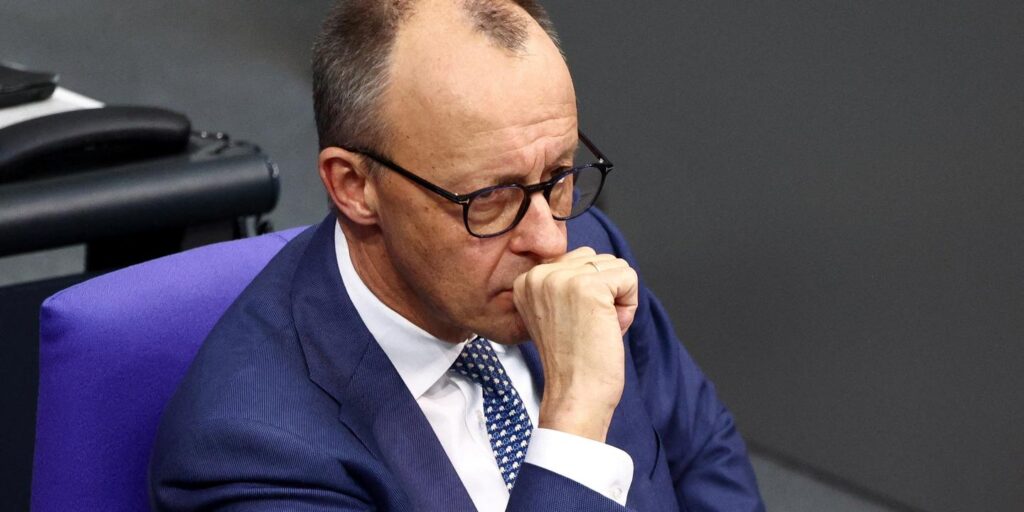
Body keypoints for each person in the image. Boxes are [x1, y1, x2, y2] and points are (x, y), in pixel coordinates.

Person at [149, 0, 765, 510]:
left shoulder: (591, 246)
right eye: (490, 197)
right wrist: (574, 418)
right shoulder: (253, 452)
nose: (551, 241)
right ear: (355, 187)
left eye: (559, 175)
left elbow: (700, 451)